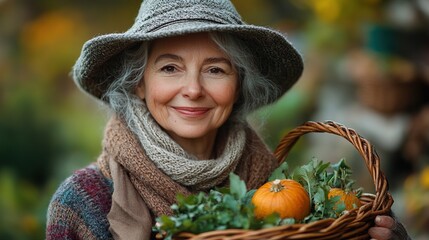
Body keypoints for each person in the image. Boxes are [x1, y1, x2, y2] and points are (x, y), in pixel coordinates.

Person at [46, 0, 410, 239]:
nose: (192, 89)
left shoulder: (281, 192)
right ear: (140, 84)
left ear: (238, 85)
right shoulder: (82, 203)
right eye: (170, 68)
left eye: (215, 70)